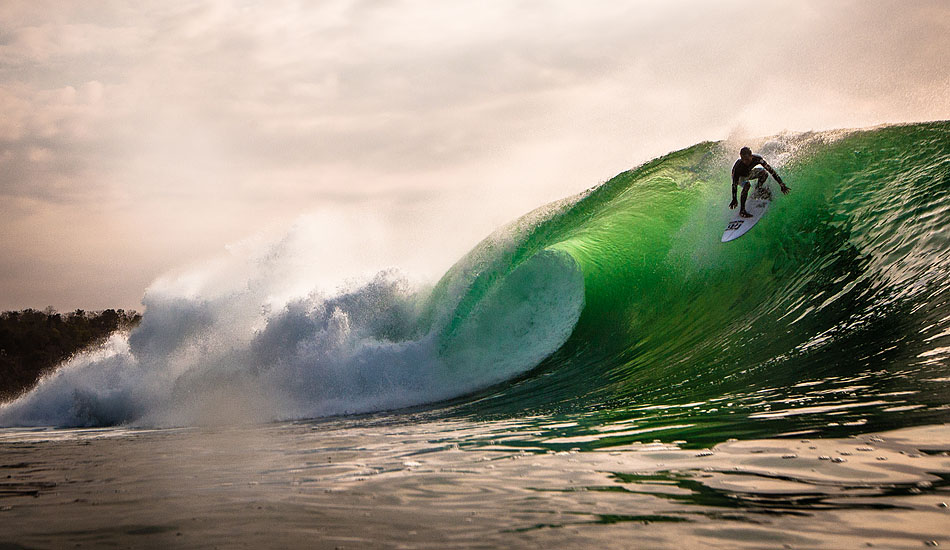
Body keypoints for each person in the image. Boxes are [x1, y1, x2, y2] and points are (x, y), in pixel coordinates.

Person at [730, 146, 790, 218]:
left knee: (764, 173)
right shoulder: (738, 167)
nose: (745, 161)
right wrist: (734, 199)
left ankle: (758, 189)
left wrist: (781, 184)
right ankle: (742, 211)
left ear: (751, 156)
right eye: (743, 159)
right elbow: (734, 184)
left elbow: (771, 171)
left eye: (747, 159)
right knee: (747, 185)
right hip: (739, 177)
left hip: (748, 173)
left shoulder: (757, 159)